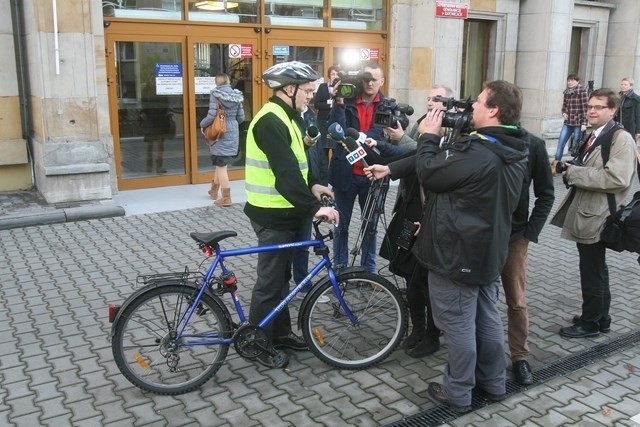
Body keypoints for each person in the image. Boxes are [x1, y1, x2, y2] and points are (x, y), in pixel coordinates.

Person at [414, 80, 529, 413]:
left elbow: (431, 174)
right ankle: (493, 383)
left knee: (458, 325)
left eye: (478, 102)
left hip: (458, 253)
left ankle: (458, 393)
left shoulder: (480, 152)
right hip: (488, 251)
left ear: (493, 110)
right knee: (486, 318)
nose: (472, 107)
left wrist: (429, 137)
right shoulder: (514, 144)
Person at [244, 61, 339, 369]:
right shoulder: (271, 121)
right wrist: (316, 208)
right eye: (308, 91)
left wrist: (314, 186)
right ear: (289, 89)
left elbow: (298, 165)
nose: (311, 96)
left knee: (283, 279)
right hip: (272, 214)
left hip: (287, 211)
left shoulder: (289, 116)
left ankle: (280, 334)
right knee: (270, 282)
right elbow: (284, 175)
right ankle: (257, 342)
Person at [370, 85, 454, 358]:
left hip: (432, 218)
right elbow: (412, 158)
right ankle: (418, 329)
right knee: (408, 273)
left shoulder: (453, 133)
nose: (432, 104)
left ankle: (431, 334)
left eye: (438, 99)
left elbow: (425, 157)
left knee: (425, 279)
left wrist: (403, 140)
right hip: (411, 210)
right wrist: (382, 157)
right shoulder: (422, 123)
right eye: (429, 98)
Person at [551, 88, 637, 338]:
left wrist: (573, 173)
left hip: (599, 215)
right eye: (590, 106)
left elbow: (617, 178)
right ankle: (600, 317)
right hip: (589, 211)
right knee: (595, 268)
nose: (591, 111)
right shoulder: (596, 134)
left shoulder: (620, 138)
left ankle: (590, 323)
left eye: (598, 107)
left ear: (613, 110)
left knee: (593, 271)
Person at [501, 128, 555, 385]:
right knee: (479, 298)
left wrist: (530, 233)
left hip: (515, 236)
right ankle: (479, 353)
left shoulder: (533, 144)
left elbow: (546, 193)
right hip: (480, 237)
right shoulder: (478, 137)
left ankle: (519, 357)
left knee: (517, 300)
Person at [327, 61, 389, 273]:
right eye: (366, 78)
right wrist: (339, 102)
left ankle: (368, 271)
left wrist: (356, 137)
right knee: (340, 225)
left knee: (370, 226)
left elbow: (379, 134)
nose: (369, 83)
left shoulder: (387, 106)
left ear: (382, 81)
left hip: (373, 173)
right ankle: (340, 269)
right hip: (345, 173)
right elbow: (337, 130)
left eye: (374, 79)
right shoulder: (349, 99)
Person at [200, 73, 245, 206]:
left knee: (221, 165)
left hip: (220, 131)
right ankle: (213, 191)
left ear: (217, 82)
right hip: (232, 129)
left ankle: (226, 198)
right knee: (220, 162)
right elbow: (241, 117)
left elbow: (211, 114)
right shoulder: (237, 95)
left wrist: (202, 124)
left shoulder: (215, 94)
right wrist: (231, 122)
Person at [311, 65, 340, 185]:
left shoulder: (340, 89)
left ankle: (334, 179)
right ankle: (323, 180)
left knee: (336, 152)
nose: (335, 76)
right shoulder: (323, 87)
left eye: (337, 74)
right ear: (329, 76)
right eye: (333, 74)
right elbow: (317, 104)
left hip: (334, 123)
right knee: (323, 152)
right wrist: (330, 105)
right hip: (322, 122)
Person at [140, 75, 175, 174]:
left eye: (155, 79)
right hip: (150, 119)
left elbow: (167, 103)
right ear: (148, 80)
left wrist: (168, 113)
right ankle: (149, 165)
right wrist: (142, 113)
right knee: (149, 144)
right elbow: (142, 103)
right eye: (151, 79)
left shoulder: (161, 90)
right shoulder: (145, 90)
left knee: (160, 144)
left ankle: (159, 166)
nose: (153, 81)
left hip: (161, 119)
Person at [553, 74, 588, 166]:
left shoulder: (582, 91)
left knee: (577, 146)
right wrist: (564, 112)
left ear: (577, 81)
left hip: (578, 123)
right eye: (569, 81)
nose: (570, 82)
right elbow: (564, 105)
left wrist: (584, 123)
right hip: (568, 123)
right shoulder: (567, 92)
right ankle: (556, 164)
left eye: (572, 80)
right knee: (561, 143)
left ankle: (574, 164)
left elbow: (585, 108)